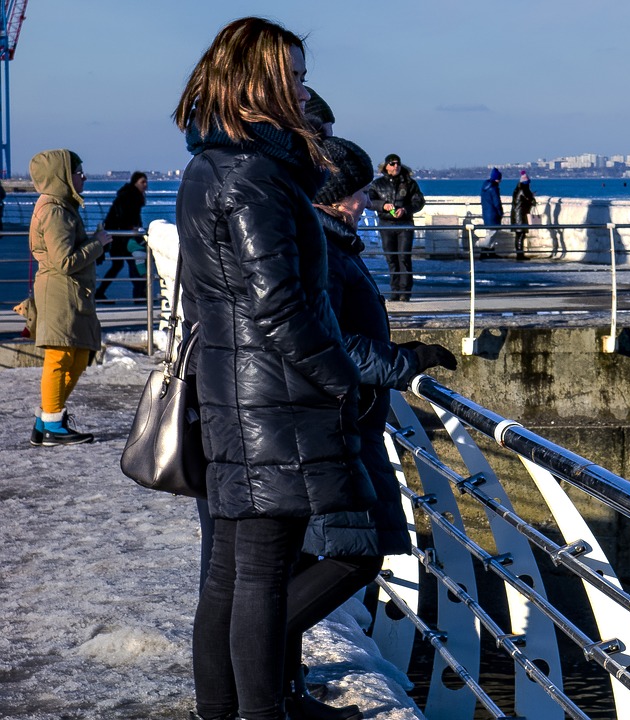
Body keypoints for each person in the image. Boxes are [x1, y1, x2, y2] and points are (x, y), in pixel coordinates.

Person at [173, 17, 375, 720]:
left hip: (239, 396)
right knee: (256, 575)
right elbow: (282, 303)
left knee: (232, 573)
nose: (301, 86)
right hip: (276, 404)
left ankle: (221, 712)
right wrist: (344, 382)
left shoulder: (211, 163)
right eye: (291, 75)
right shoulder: (254, 175)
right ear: (256, 83)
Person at [290, 135, 457, 720]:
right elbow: (336, 344)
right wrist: (408, 359)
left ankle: (284, 684)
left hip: (344, 422)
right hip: (337, 427)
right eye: (357, 192)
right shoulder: (324, 253)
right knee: (355, 554)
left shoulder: (331, 244)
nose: (365, 202)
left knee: (314, 558)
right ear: (333, 197)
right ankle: (261, 651)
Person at [28, 148, 112, 446]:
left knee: (77, 355)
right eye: (77, 171)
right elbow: (64, 261)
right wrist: (98, 244)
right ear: (62, 176)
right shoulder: (54, 210)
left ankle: (46, 421)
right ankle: (52, 423)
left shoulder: (61, 206)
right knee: (60, 356)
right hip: (60, 293)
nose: (83, 176)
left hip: (69, 294)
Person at [367, 153, 424, 301]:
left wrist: (405, 210)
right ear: (386, 166)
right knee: (391, 258)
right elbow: (370, 200)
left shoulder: (409, 183)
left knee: (404, 257)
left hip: (405, 225)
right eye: (392, 163)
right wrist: (383, 205)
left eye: (397, 163)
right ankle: (395, 290)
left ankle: (405, 292)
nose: (396, 166)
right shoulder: (378, 184)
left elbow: (419, 202)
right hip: (386, 225)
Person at [95, 171, 149, 303]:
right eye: (142, 182)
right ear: (135, 182)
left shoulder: (130, 195)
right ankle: (139, 295)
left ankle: (100, 292)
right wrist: (131, 227)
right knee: (134, 263)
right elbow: (124, 216)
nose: (145, 185)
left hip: (118, 236)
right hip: (121, 238)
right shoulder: (130, 196)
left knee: (119, 265)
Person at [510, 169, 536, 261]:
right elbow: (530, 201)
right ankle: (520, 255)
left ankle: (519, 254)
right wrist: (532, 197)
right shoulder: (523, 190)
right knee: (521, 236)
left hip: (516, 216)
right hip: (520, 217)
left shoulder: (517, 190)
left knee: (518, 236)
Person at [479, 167, 503, 256]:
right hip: (493, 213)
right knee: (492, 233)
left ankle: (491, 251)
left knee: (490, 232)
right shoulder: (494, 188)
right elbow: (497, 202)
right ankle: (483, 248)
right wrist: (500, 212)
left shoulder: (485, 186)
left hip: (486, 213)